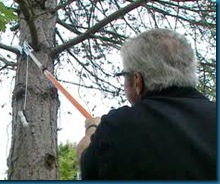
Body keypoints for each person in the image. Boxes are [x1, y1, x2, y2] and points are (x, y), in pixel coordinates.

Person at [76, 28, 216, 180]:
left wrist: (92, 128)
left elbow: (87, 165)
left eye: (124, 75)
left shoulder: (118, 126)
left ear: (137, 81)